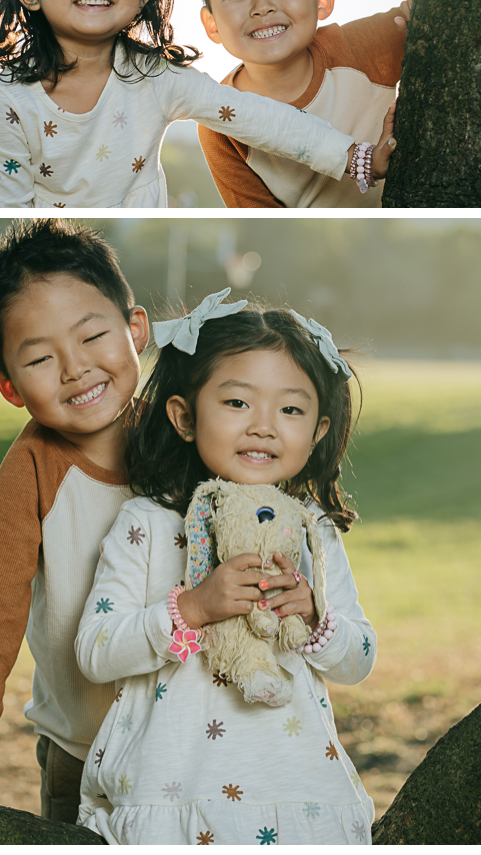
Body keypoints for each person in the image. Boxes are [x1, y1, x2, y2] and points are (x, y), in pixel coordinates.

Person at [75, 291, 376, 845]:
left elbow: (359, 658)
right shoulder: (146, 524)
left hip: (295, 794)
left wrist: (314, 618)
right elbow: (95, 650)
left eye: (290, 409)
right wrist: (191, 609)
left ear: (317, 430)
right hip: (172, 793)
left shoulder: (313, 531)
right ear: (185, 416)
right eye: (237, 403)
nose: (264, 426)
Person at [0, 0, 396, 208]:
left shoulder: (157, 79)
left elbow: (260, 117)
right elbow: (8, 213)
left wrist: (354, 158)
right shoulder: (11, 100)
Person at [0, 218, 150, 822]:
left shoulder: (188, 434)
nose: (76, 368)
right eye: (39, 358)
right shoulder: (33, 469)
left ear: (136, 330)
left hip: (198, 740)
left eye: (92, 336)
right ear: (8, 384)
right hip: (82, 754)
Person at [197, 0, 413, 207]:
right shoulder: (220, 124)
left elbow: (430, 21)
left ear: (321, 0)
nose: (262, 6)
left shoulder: (364, 46)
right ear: (212, 24)